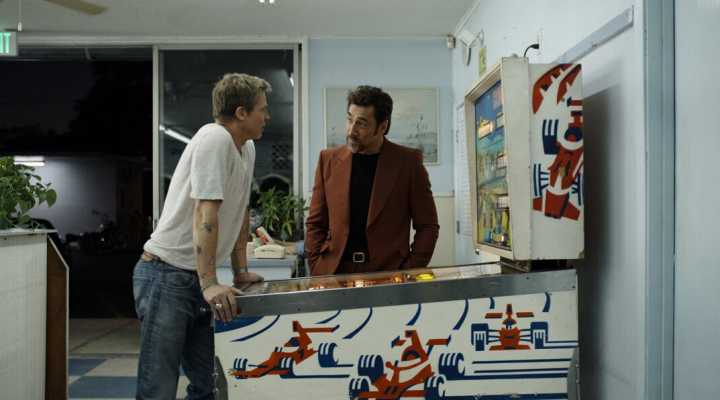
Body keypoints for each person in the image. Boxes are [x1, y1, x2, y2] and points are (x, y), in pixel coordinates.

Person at [133, 73, 270, 399]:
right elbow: (205, 214)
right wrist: (210, 283)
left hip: (194, 277)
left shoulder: (246, 148)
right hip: (165, 275)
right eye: (262, 110)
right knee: (158, 388)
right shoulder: (214, 139)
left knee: (210, 384)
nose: (267, 116)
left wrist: (239, 271)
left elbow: (240, 212)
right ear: (241, 113)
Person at [305, 85, 439, 276]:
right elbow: (316, 223)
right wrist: (317, 266)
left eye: (361, 123)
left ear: (382, 127)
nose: (351, 130)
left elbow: (428, 226)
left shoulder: (408, 163)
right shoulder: (327, 160)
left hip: (388, 274)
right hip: (335, 272)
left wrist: (408, 271)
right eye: (349, 120)